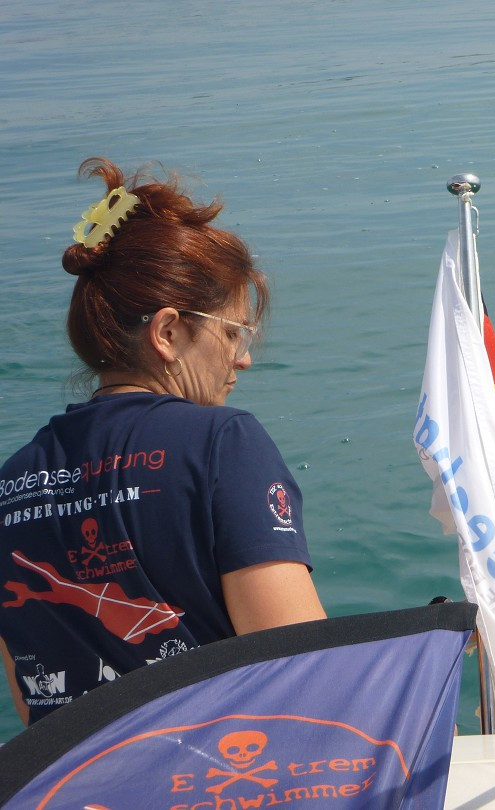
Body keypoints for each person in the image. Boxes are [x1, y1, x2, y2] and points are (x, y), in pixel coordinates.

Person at [0, 158, 325, 726]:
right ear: (169, 332)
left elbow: (34, 700)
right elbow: (302, 670)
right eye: (232, 333)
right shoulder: (223, 443)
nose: (243, 358)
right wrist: (442, 645)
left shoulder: (10, 484)